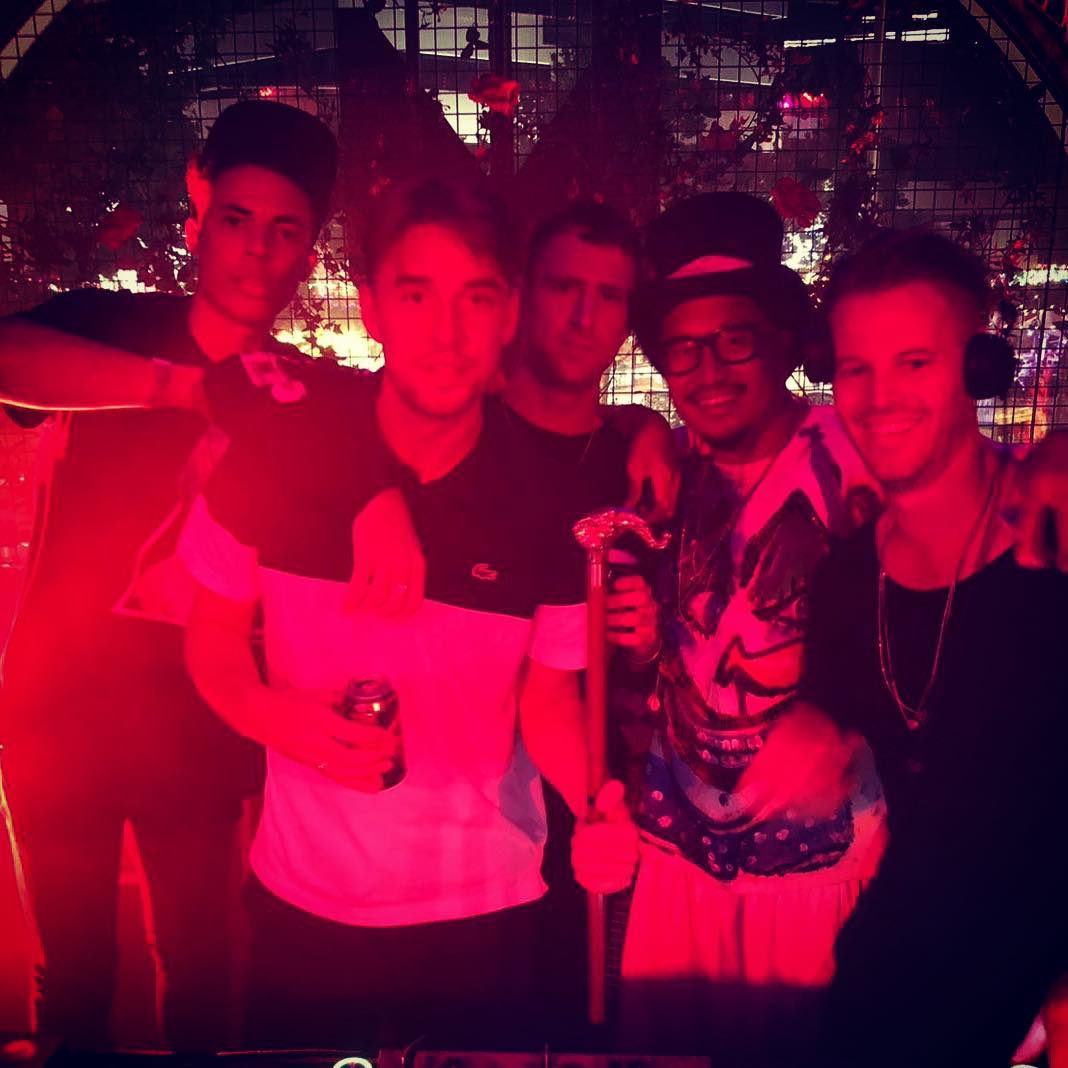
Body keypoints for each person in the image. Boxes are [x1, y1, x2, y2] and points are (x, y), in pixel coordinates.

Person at [178, 175, 638, 1051]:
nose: (447, 333)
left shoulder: (553, 501)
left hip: (484, 907)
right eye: (418, 295)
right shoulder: (278, 456)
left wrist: (593, 803)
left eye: (477, 298)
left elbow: (546, 697)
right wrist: (275, 716)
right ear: (373, 307)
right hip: (303, 901)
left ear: (510, 314)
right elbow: (213, 641)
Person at [0, 99, 352, 1051]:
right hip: (56, 710)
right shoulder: (110, 321)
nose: (257, 250)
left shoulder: (309, 390)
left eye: (285, 231)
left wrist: (635, 424)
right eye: (237, 219)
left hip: (198, 725)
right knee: (72, 978)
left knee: (199, 968)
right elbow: (7, 358)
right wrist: (187, 390)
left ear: (308, 253)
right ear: (200, 220)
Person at [618, 192, 890, 1065]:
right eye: (682, 350)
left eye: (734, 339)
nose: (708, 370)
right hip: (677, 859)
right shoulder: (668, 473)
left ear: (782, 341)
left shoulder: (861, 456)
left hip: (814, 863)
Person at [791, 230, 1068, 1067]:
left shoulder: (1056, 540)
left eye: (914, 362)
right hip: (890, 994)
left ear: (979, 368)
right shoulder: (845, 580)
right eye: (856, 369)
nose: (880, 399)